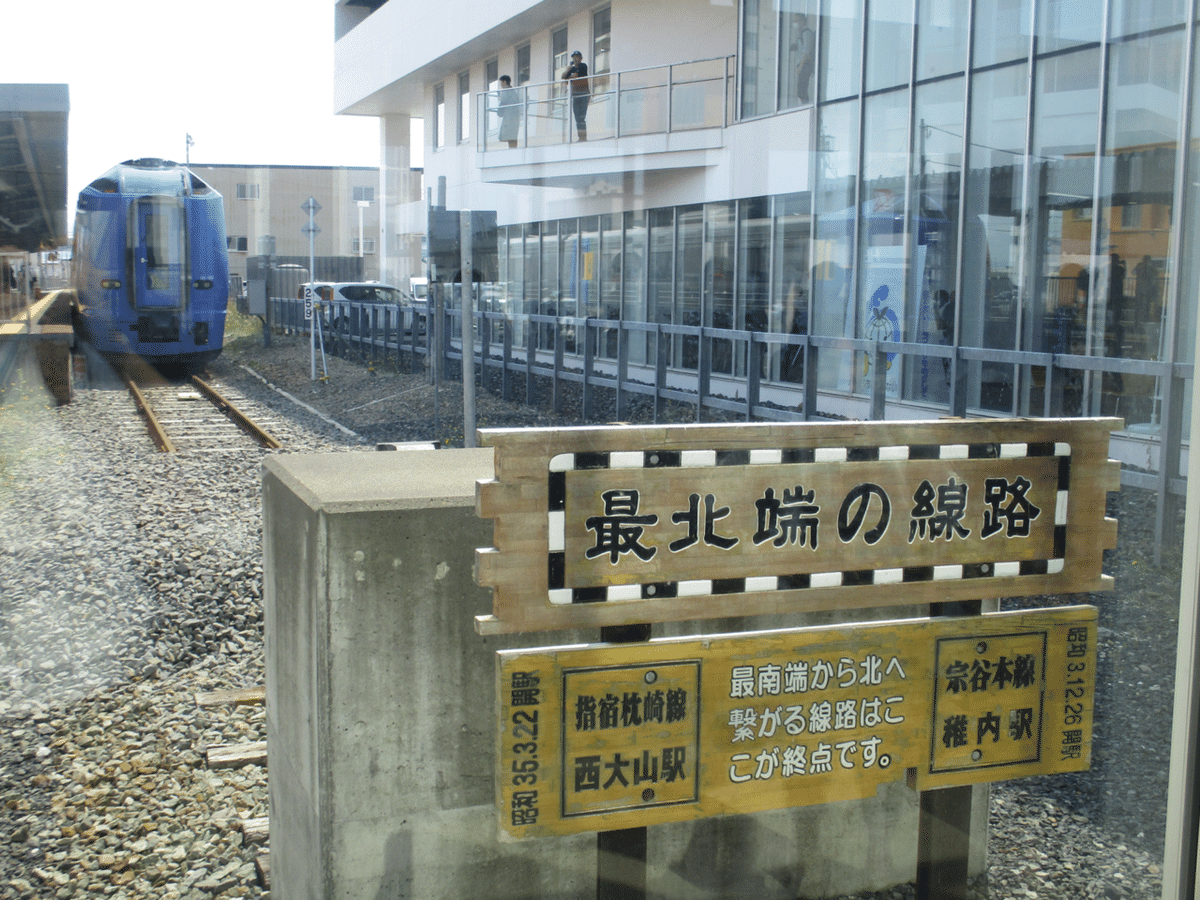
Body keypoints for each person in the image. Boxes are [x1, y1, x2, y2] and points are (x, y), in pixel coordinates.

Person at [562, 50, 590, 141]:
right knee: (577, 117)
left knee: (582, 116)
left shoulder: (583, 66)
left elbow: (579, 77)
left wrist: (571, 77)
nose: (575, 59)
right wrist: (568, 69)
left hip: (583, 94)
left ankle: (583, 137)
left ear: (581, 58)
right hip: (575, 95)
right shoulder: (571, 69)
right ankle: (580, 137)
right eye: (574, 57)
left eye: (577, 57)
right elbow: (563, 77)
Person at [497, 75, 520, 148]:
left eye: (501, 82)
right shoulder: (514, 92)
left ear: (504, 81)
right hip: (514, 118)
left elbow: (503, 101)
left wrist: (499, 111)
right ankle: (513, 150)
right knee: (512, 137)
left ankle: (512, 151)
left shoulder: (506, 91)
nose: (500, 84)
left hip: (509, 118)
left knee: (509, 136)